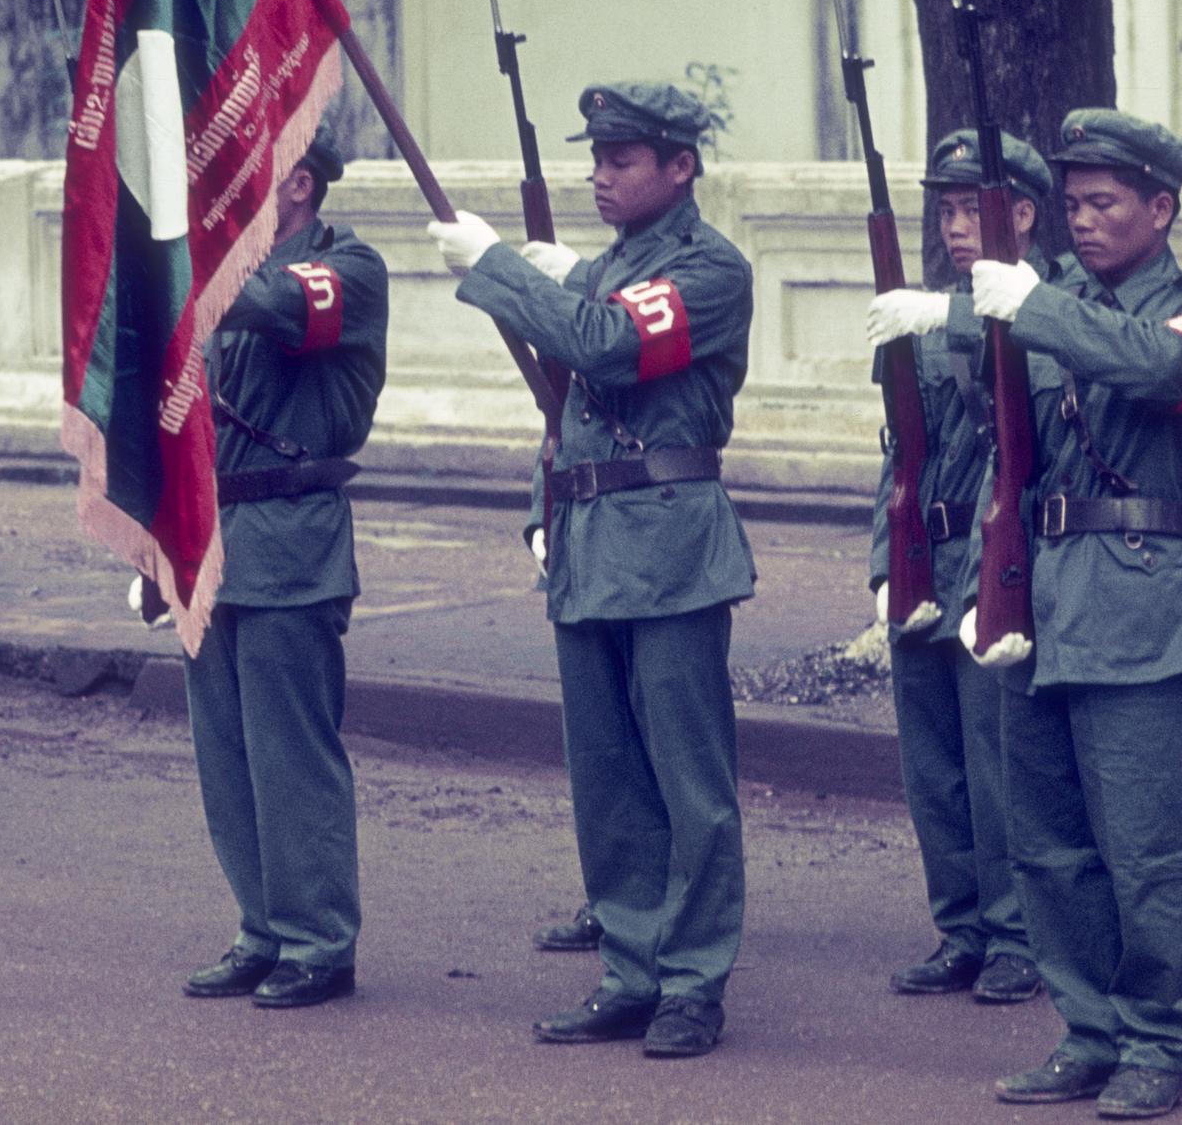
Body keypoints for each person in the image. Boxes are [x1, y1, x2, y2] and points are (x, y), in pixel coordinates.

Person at [428, 82, 756, 1059]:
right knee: (608, 782)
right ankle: (630, 970)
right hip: (591, 544)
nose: (599, 177)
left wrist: (497, 268)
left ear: (678, 167)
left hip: (667, 548)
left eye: (622, 161)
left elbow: (604, 349)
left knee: (688, 783)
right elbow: (564, 415)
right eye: (596, 160)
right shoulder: (608, 268)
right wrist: (543, 514)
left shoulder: (708, 270)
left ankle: (692, 984)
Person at [962, 109, 1182, 1121]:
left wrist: (1029, 308)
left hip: (1139, 598)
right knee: (1045, 842)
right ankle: (1087, 1030)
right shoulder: (1050, 301)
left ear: (1159, 210)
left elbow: (1160, 370)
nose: (1082, 221)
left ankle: (1158, 1042)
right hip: (1039, 594)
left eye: (1104, 203)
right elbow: (1003, 440)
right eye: (1072, 204)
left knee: (1144, 847)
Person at [175, 133, 389, 1009]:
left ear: (300, 184)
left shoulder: (348, 267)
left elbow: (267, 305)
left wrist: (177, 254)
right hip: (217, 537)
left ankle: (318, 941)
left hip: (291, 535)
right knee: (225, 752)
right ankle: (261, 928)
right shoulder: (231, 279)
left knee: (290, 753)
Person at [859, 130, 1048, 1006]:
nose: (956, 225)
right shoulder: (923, 311)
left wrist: (952, 316)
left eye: (974, 207)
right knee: (931, 763)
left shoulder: (1046, 307)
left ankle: (1018, 935)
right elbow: (900, 447)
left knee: (994, 756)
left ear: (1022, 214)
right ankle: (960, 928)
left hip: (995, 561)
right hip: (923, 554)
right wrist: (883, 567)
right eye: (946, 207)